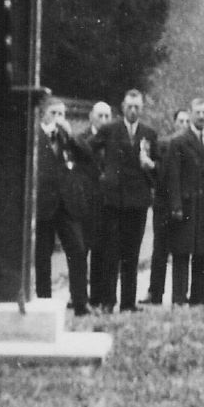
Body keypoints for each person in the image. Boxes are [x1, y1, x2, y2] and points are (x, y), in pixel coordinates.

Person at [89, 91, 158, 313]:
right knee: (111, 252)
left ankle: (128, 302)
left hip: (137, 201)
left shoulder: (149, 133)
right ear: (122, 106)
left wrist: (150, 165)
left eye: (137, 107)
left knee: (132, 253)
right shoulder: (110, 129)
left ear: (142, 108)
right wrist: (102, 175)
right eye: (130, 106)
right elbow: (88, 148)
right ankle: (108, 301)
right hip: (114, 200)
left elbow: (158, 166)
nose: (133, 111)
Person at [166, 98, 204, 305]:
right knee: (182, 253)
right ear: (191, 114)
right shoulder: (179, 142)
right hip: (186, 207)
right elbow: (173, 177)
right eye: (198, 112)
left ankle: (200, 298)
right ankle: (179, 299)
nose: (201, 116)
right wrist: (175, 205)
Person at [34, 98, 93, 316]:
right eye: (54, 113)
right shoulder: (35, 136)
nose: (59, 118)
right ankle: (44, 301)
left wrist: (71, 135)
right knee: (43, 255)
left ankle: (80, 302)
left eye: (62, 114)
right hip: (44, 203)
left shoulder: (67, 138)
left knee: (77, 250)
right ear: (44, 114)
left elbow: (87, 156)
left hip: (67, 204)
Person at [140, 109, 189, 306]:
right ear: (174, 123)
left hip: (183, 205)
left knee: (182, 250)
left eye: (187, 121)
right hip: (163, 204)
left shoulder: (191, 147)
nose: (183, 125)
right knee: (159, 249)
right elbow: (156, 173)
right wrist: (152, 167)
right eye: (180, 121)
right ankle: (155, 293)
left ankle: (180, 294)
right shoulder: (163, 144)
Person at [82, 101, 111, 311]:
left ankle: (97, 296)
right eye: (100, 116)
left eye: (107, 116)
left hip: (105, 202)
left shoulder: (113, 139)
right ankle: (79, 295)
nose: (103, 120)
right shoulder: (82, 139)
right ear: (91, 116)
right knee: (81, 249)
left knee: (101, 250)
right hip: (86, 200)